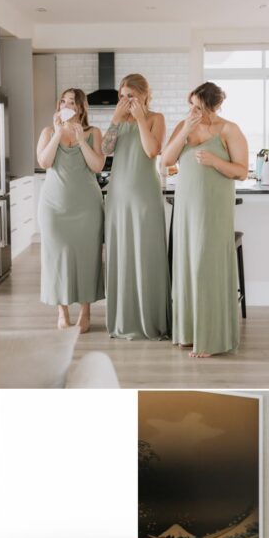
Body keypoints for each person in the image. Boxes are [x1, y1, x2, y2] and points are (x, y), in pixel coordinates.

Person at [161, 82, 248, 358]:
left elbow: (242, 172)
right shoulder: (183, 126)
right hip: (186, 206)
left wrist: (214, 161)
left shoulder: (229, 130)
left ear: (214, 106)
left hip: (213, 208)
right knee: (186, 264)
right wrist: (185, 129)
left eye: (199, 107)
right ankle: (188, 333)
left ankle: (210, 338)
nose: (193, 111)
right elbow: (166, 159)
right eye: (191, 105)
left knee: (206, 266)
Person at [102, 73, 171, 340]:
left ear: (144, 95)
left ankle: (149, 319)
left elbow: (152, 150)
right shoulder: (119, 121)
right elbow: (106, 150)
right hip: (118, 195)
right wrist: (114, 121)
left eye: (130, 95)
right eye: (122, 96)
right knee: (122, 253)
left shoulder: (156, 119)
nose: (126, 101)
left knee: (146, 252)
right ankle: (123, 319)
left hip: (144, 195)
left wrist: (141, 119)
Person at [36, 88, 105, 332]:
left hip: (86, 207)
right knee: (56, 257)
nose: (66, 105)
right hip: (54, 207)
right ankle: (62, 311)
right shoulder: (47, 132)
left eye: (71, 102)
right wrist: (57, 134)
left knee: (87, 258)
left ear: (80, 107)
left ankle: (85, 311)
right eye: (63, 101)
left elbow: (97, 166)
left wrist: (80, 139)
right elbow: (44, 162)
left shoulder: (93, 132)